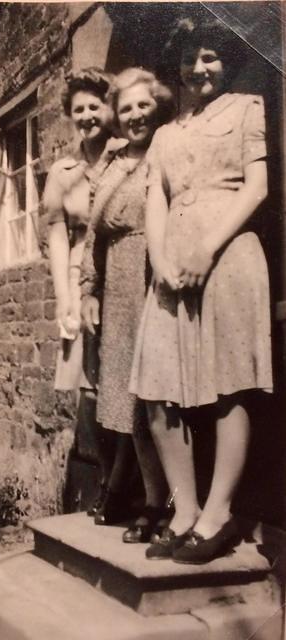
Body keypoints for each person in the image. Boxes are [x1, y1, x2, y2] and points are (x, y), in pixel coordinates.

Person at [129, 16, 273, 563]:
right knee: (158, 391)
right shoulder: (166, 134)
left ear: (227, 60)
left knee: (227, 385)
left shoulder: (247, 108)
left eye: (210, 56)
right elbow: (157, 203)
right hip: (173, 265)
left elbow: (257, 186)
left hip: (229, 252)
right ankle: (184, 508)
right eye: (190, 58)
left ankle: (218, 515)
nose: (199, 67)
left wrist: (207, 248)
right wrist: (164, 260)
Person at [81, 68, 173, 536]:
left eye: (143, 105)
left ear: (158, 106)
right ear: (115, 115)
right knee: (126, 403)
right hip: (117, 285)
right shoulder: (114, 162)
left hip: (153, 278)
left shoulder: (170, 148)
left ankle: (163, 502)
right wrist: (89, 290)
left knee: (155, 397)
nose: (135, 115)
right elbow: (93, 236)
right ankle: (154, 497)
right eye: (126, 107)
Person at [44, 68, 122, 513]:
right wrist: (64, 296)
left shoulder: (127, 155)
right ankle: (99, 487)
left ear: (108, 109)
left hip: (124, 268)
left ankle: (134, 489)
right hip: (78, 271)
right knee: (89, 382)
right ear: (70, 117)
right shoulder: (63, 171)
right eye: (79, 110)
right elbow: (56, 235)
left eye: (95, 106)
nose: (88, 115)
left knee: (128, 378)